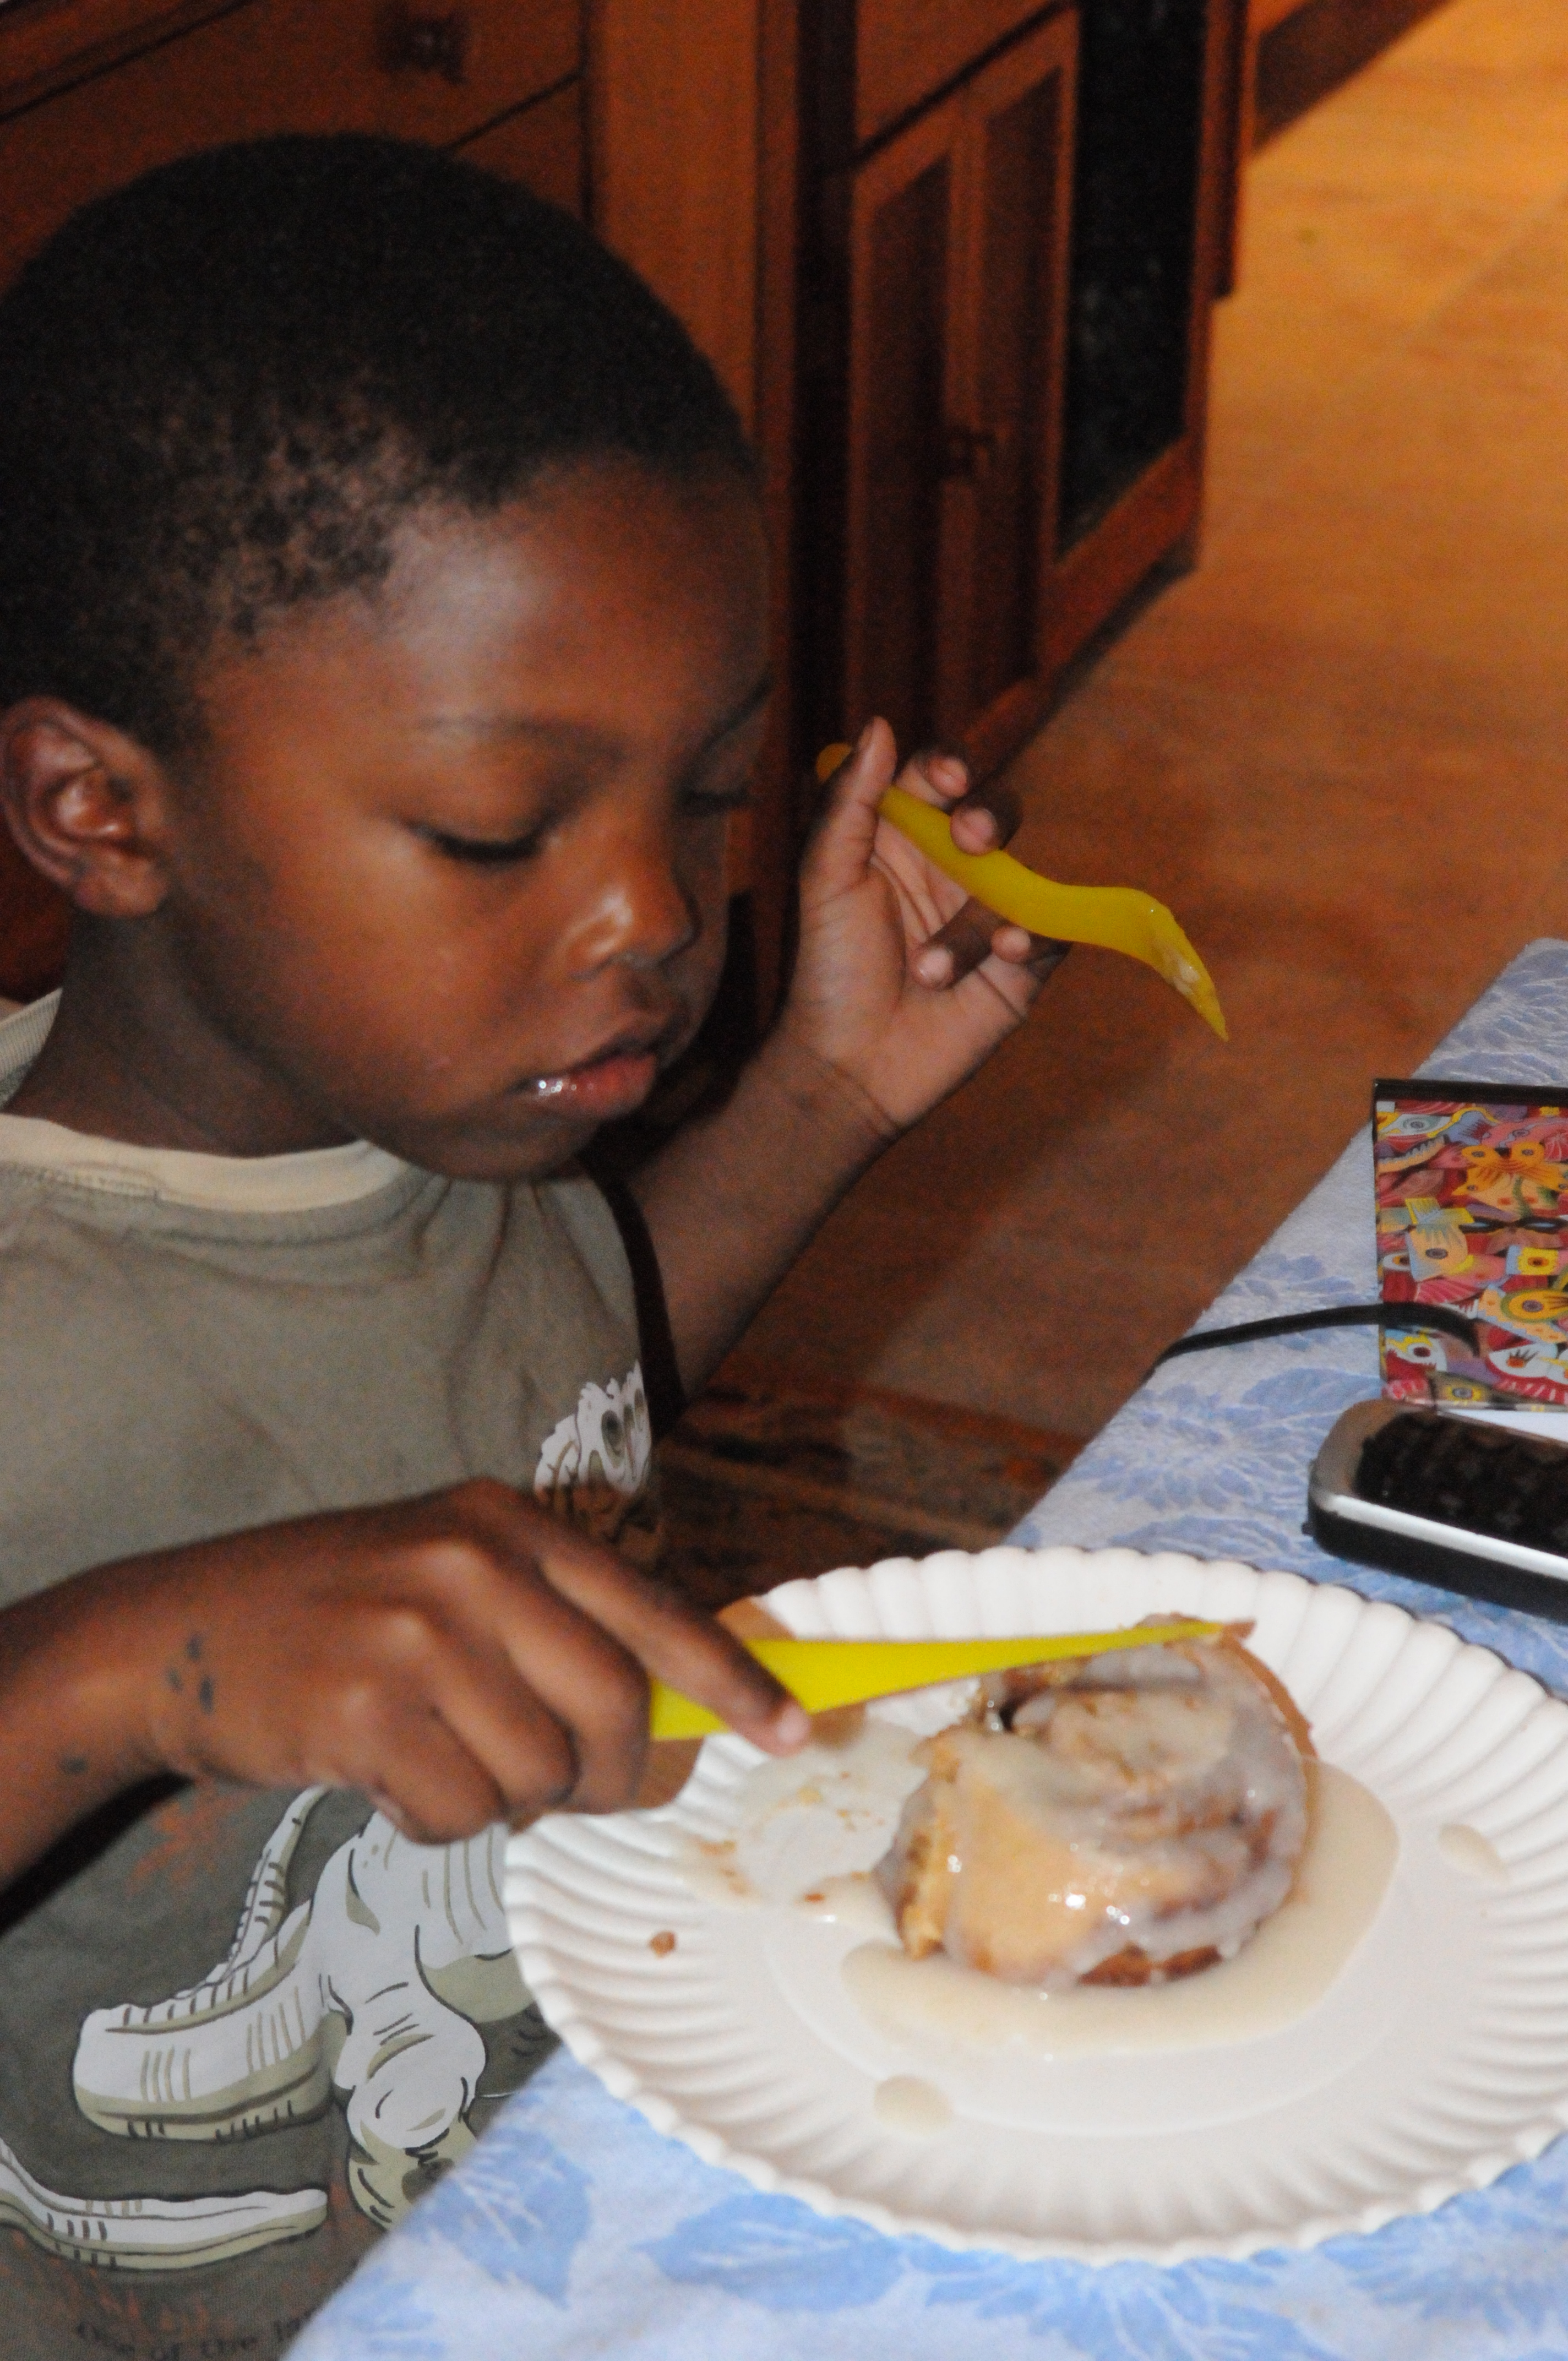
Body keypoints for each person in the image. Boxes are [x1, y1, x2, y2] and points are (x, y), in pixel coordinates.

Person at [0, 134, 1061, 2354]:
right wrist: (112, 1670)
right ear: (103, 811)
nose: (656, 914)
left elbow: (573, 1385)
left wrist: (822, 1097)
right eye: (500, 830)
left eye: (708, 793)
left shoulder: (440, 1111)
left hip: (557, 2164)